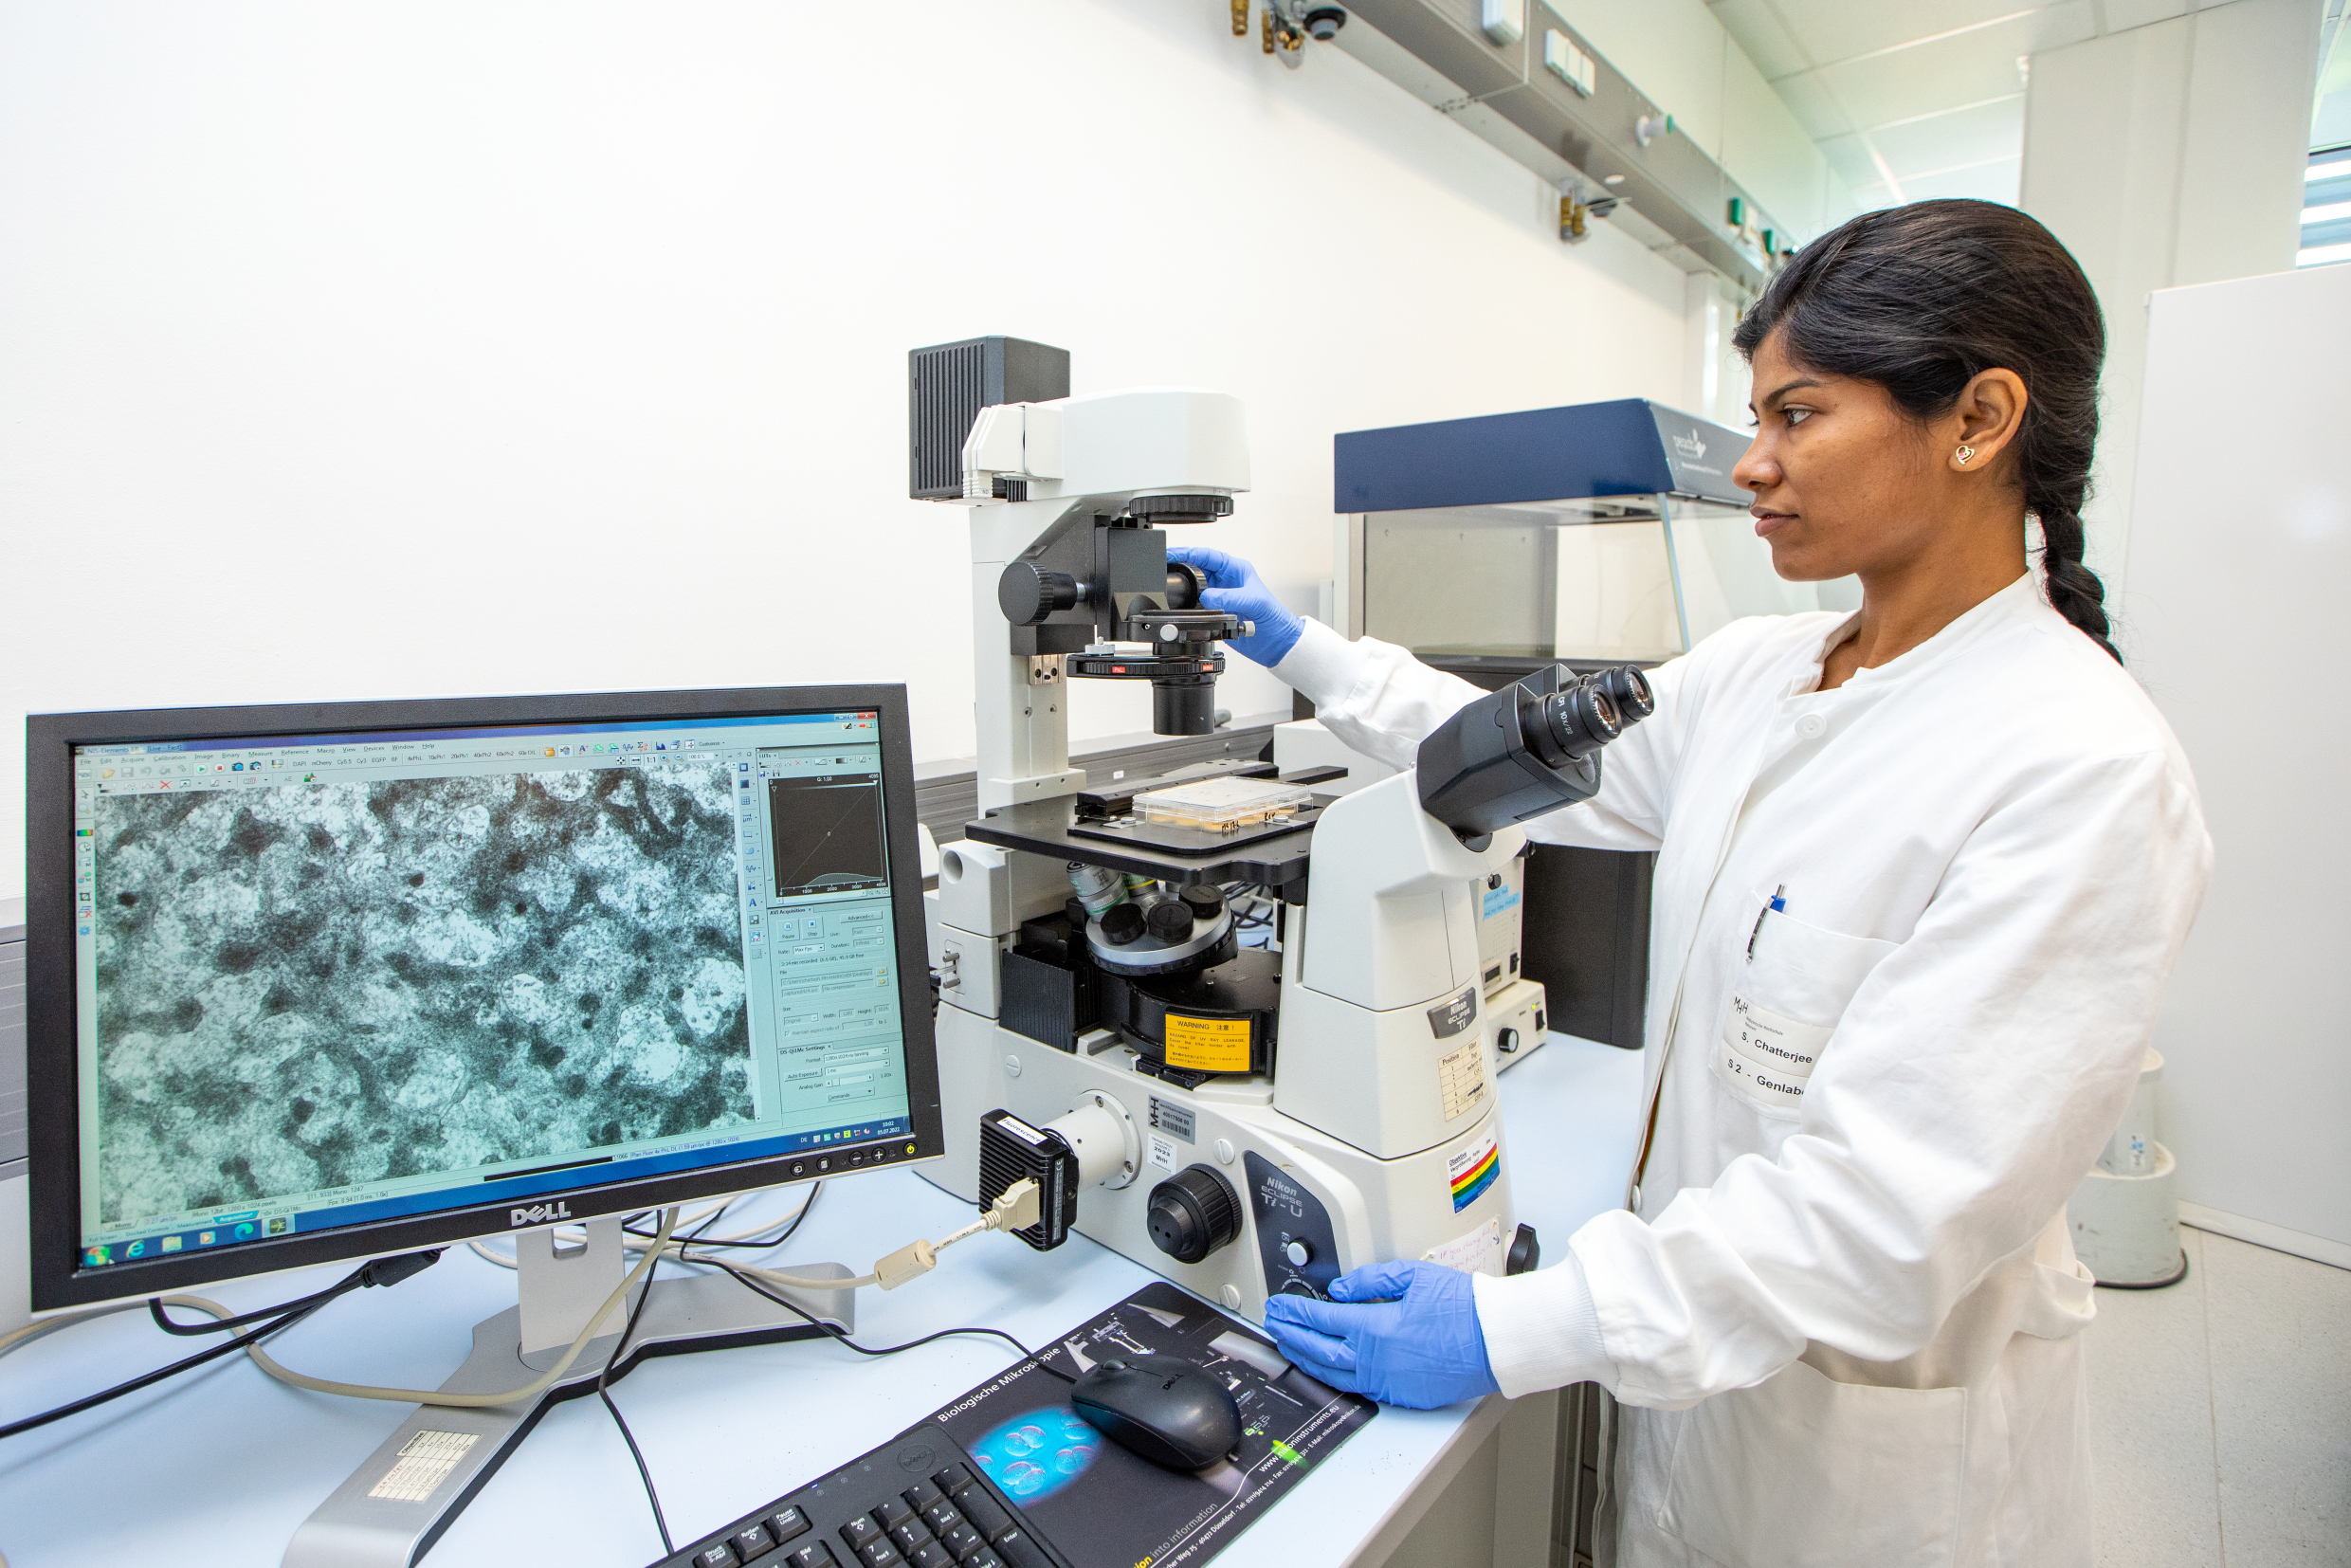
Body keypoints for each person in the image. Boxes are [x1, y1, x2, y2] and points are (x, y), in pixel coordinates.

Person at [1173, 200, 2212, 1567]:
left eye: (1798, 416)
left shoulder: (2081, 768)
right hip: (1697, 1393)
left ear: (1978, 419)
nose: (1752, 468)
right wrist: (1306, 647)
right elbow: (1523, 752)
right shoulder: (1760, 671)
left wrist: (1507, 1328)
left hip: (1867, 1480)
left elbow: (1883, 1221)